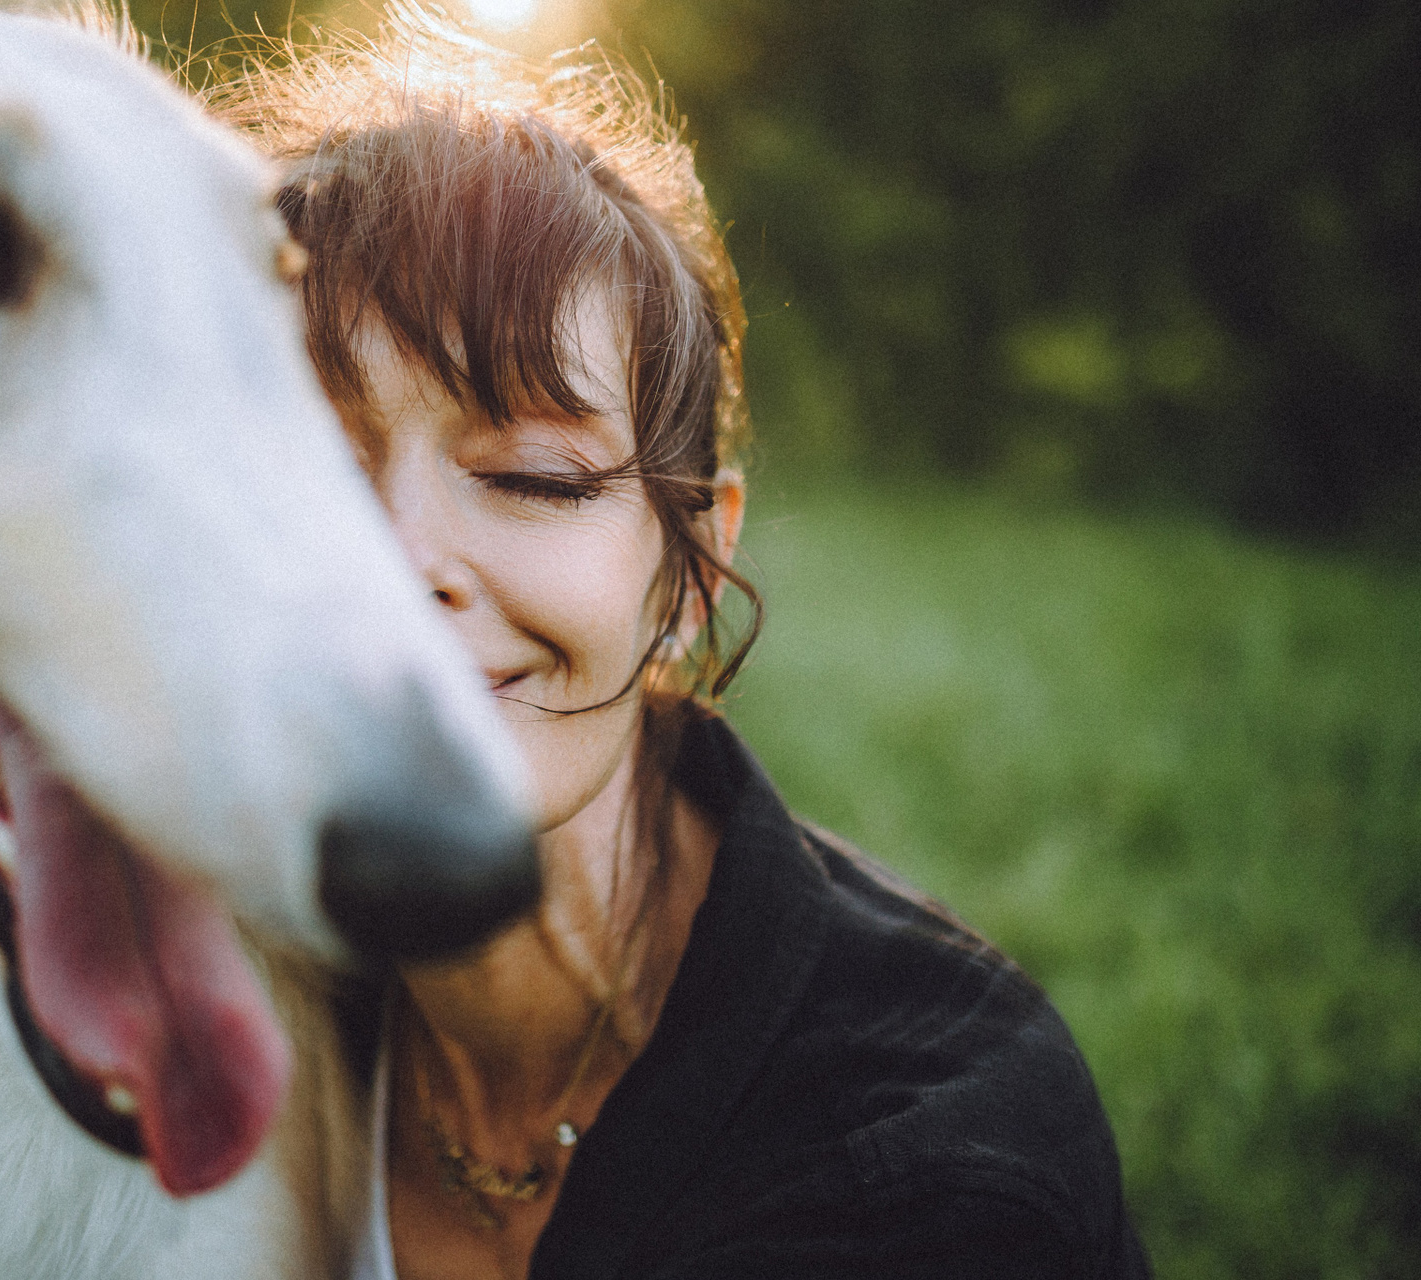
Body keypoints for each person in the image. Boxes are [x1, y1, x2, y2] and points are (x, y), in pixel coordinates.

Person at [216, 17, 1150, 1280]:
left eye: (534, 477)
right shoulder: (160, 1005)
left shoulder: (932, 1184)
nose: (395, 565)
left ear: (692, 566)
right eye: (311, 467)